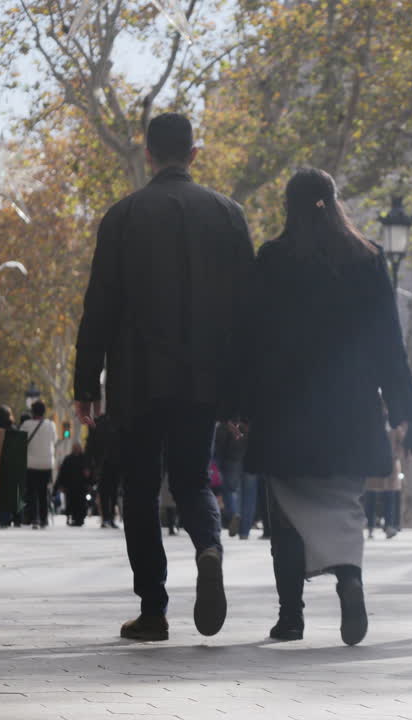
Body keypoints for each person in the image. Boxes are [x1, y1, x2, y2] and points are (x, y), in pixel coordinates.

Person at [74, 113, 254, 642]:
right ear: (194, 154)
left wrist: (86, 385)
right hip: (204, 380)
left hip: (137, 379)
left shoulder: (123, 216)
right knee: (194, 479)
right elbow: (249, 312)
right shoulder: (229, 214)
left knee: (141, 489)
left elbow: (99, 308)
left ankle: (153, 609)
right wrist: (242, 393)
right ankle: (209, 548)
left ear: (148, 153)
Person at [235, 167, 412, 646]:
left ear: (288, 207)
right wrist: (402, 406)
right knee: (344, 505)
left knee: (286, 515)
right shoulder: (368, 259)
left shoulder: (272, 258)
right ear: (335, 202)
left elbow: (248, 342)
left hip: (285, 409)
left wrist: (238, 402)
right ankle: (349, 580)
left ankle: (290, 617)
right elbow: (387, 342)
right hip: (350, 408)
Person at [214, 421, 259, 540]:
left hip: (233, 452)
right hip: (253, 453)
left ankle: (234, 513)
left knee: (230, 489)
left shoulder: (232, 412)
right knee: (250, 494)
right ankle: (244, 532)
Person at [19, 401, 57, 529]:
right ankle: (44, 519)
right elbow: (54, 440)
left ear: (32, 412)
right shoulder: (51, 425)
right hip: (46, 463)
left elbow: (21, 442)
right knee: (43, 492)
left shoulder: (26, 425)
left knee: (31, 492)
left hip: (31, 463)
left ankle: (34, 518)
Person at [57, 443, 92, 527]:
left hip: (81, 487)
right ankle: (71, 517)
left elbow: (89, 471)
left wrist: (89, 482)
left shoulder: (84, 459)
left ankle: (80, 519)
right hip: (70, 486)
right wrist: (61, 485)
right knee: (70, 503)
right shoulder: (68, 459)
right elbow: (63, 473)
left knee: (81, 503)